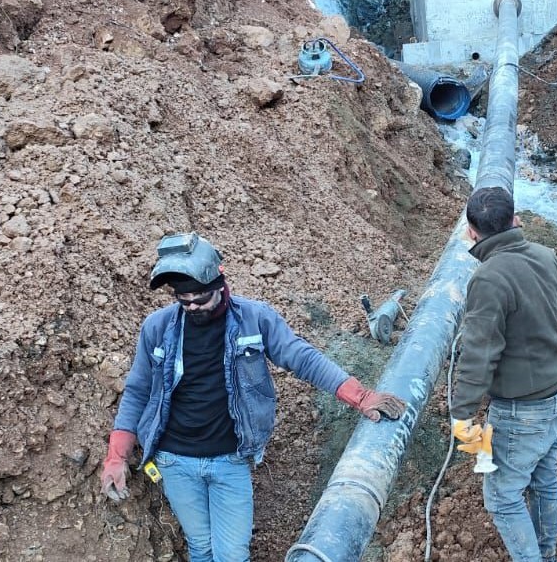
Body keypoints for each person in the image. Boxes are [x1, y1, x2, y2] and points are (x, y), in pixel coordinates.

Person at [99, 231, 405, 562]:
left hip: (230, 458)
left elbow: (302, 358)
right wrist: (116, 457)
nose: (192, 308)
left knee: (231, 554)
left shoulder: (255, 319)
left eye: (200, 299)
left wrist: (360, 397)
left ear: (220, 283)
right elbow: (137, 391)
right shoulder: (157, 328)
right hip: (175, 461)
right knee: (200, 547)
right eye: (183, 301)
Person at [448, 186, 557, 562]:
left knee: (503, 499)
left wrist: (461, 413)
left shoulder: (488, 278)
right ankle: (546, 554)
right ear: (515, 220)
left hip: (522, 410)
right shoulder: (546, 256)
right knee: (544, 478)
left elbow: (479, 355)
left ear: (471, 232)